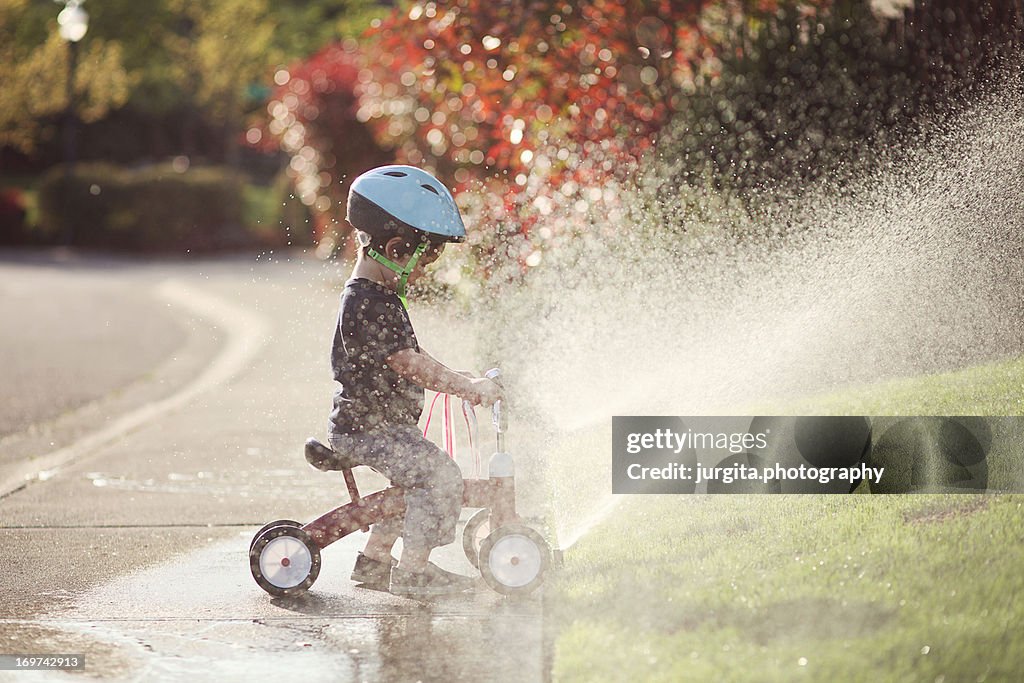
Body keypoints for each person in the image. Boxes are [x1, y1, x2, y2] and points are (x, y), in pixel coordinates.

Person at [325, 165, 502, 596]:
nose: (427, 270)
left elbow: (415, 355)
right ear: (396, 247)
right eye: (427, 258)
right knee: (439, 475)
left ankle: (373, 563)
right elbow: (408, 363)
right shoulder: (366, 302)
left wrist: (460, 376)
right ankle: (415, 573)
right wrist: (466, 388)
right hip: (368, 430)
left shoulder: (381, 296)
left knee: (408, 483)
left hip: (378, 426)